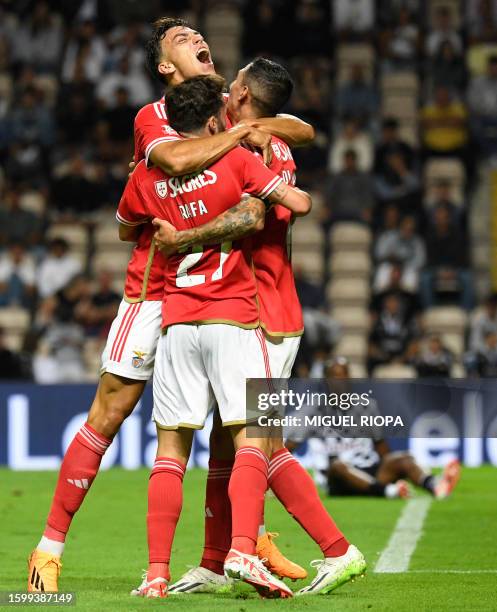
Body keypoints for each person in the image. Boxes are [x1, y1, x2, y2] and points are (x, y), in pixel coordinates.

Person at [27, 17, 315, 593]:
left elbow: (300, 130)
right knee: (109, 414)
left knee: (235, 427)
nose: (196, 40)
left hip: (217, 293)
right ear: (164, 66)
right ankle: (48, 548)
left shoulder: (228, 109)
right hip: (153, 288)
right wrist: (240, 135)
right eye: (180, 40)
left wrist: (251, 123)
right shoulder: (154, 118)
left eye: (196, 35)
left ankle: (240, 545)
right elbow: (177, 163)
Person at [154, 61, 360, 597]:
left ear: (242, 94)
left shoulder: (257, 150)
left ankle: (318, 550)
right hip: (254, 308)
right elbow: (301, 128)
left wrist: (182, 239)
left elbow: (249, 217)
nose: (226, 81)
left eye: (235, 79)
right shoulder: (260, 136)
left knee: (260, 444)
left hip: (263, 310)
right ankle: (215, 561)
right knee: (232, 443)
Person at [117, 74, 318, 598]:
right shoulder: (235, 159)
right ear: (214, 120)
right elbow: (293, 205)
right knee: (252, 435)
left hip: (177, 320)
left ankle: (156, 574)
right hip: (234, 313)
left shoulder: (147, 173)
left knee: (169, 452)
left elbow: (124, 227)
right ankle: (242, 552)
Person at [287, 358, 461, 499]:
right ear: (326, 380)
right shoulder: (313, 410)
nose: (341, 381)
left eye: (345, 375)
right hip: (336, 478)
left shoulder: (367, 407)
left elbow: (381, 447)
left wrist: (396, 466)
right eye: (335, 376)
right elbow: (289, 448)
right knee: (339, 466)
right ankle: (389, 492)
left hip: (369, 470)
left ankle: (436, 486)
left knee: (404, 458)